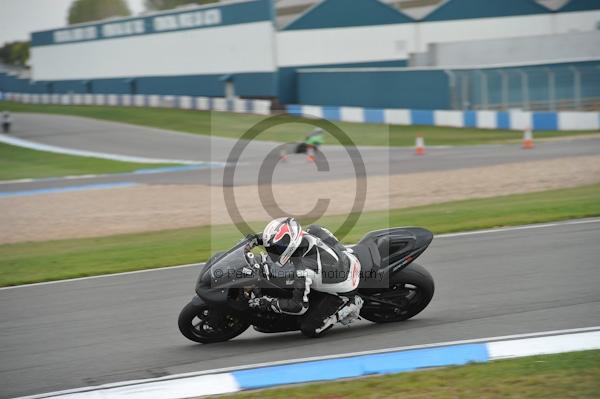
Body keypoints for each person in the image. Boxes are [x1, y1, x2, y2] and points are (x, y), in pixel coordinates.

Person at [246, 217, 363, 337]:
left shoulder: (304, 269)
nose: (273, 251)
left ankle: (351, 304)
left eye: (277, 248)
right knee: (314, 229)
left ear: (291, 244)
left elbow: (299, 306)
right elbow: (273, 239)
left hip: (345, 287)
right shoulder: (301, 237)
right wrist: (254, 239)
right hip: (341, 260)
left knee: (310, 328)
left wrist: (269, 303)